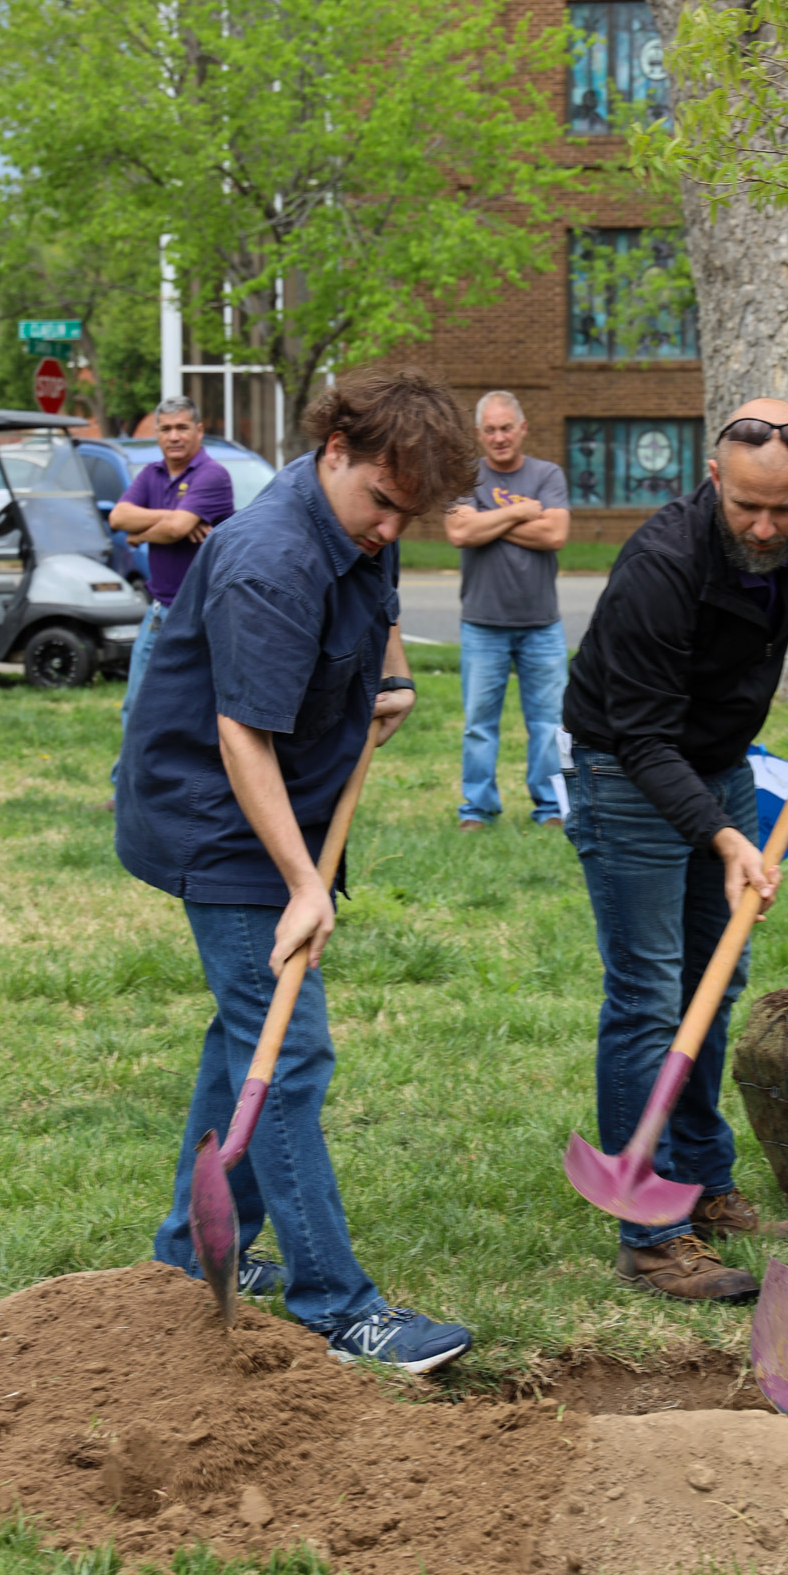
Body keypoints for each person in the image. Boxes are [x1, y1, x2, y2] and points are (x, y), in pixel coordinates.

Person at [116, 368, 478, 1372]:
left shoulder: (358, 516)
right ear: (334, 451)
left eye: (410, 514)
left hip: (275, 803)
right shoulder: (269, 559)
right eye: (382, 504)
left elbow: (376, 587)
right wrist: (306, 883)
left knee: (246, 1031)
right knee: (291, 1051)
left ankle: (190, 1252)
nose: (390, 529)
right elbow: (241, 739)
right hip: (218, 820)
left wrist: (391, 667)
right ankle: (335, 1299)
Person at [562, 398, 788, 1303]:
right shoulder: (660, 566)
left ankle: (701, 1180)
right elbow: (645, 741)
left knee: (712, 982)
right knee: (652, 997)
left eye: (785, 509)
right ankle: (651, 1235)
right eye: (747, 509)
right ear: (713, 480)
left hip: (722, 760)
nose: (767, 528)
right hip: (627, 771)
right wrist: (727, 837)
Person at [445, 390, 570, 829]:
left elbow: (555, 535)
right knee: (479, 724)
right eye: (490, 430)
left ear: (522, 429)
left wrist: (489, 521)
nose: (499, 438)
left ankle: (552, 808)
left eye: (506, 428)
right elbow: (459, 534)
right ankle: (477, 809)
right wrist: (523, 513)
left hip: (542, 624)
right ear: (479, 434)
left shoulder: (547, 474)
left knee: (549, 724)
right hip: (483, 622)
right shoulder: (465, 476)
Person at [108, 396, 235, 788]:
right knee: (138, 704)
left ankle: (199, 791)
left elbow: (177, 531)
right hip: (161, 611)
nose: (174, 436)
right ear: (157, 433)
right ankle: (127, 793)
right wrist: (168, 519)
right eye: (165, 428)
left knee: (201, 710)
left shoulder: (211, 476)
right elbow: (117, 517)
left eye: (182, 427)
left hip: (205, 614)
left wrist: (142, 531)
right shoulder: (151, 475)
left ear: (199, 431)